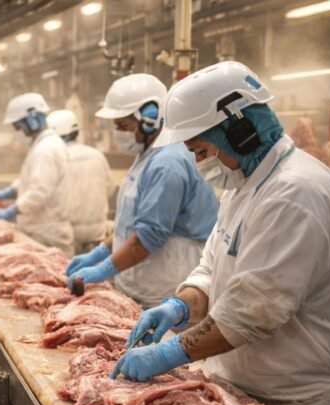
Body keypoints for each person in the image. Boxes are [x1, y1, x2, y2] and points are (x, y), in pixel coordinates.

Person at [111, 61, 330, 405]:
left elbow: (253, 311)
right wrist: (178, 305)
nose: (198, 163)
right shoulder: (243, 187)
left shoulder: (295, 194)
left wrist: (169, 352)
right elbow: (212, 267)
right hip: (247, 394)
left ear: (240, 131)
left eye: (202, 150)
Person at [66, 74, 218, 307]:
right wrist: (99, 252)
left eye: (123, 126)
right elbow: (131, 224)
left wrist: (101, 270)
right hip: (142, 285)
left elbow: (149, 236)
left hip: (165, 292)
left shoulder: (168, 162)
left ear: (150, 118)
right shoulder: (147, 155)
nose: (118, 133)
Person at [0, 93, 73, 253]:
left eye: (18, 127)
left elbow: (38, 193)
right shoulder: (41, 145)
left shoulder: (46, 149)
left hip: (47, 235)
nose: (18, 132)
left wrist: (10, 211)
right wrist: (10, 191)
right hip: (40, 231)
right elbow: (35, 179)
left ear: (32, 120)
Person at [47, 109, 111, 254]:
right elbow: (109, 188)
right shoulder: (97, 155)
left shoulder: (54, 159)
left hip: (67, 239)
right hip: (97, 238)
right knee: (96, 276)